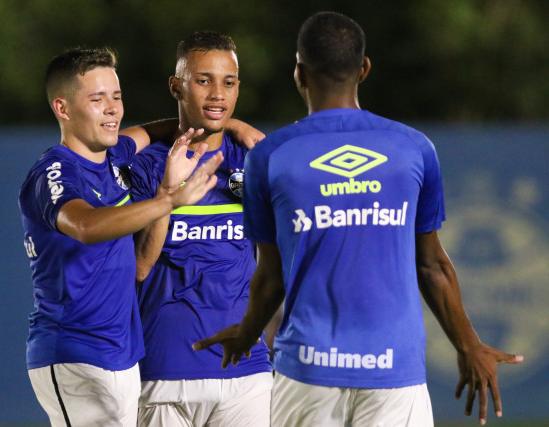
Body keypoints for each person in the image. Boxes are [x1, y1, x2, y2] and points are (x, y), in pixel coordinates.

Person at [194, 12, 524, 427]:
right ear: (364, 69)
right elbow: (432, 264)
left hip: (307, 371)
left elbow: (270, 275)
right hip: (394, 371)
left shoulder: (271, 156)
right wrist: (468, 344)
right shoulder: (413, 149)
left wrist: (247, 332)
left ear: (299, 72)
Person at [18, 47, 224, 426]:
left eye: (116, 96)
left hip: (122, 355)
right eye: (97, 99)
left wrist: (234, 127)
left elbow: (162, 129)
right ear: (63, 109)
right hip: (75, 353)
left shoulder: (114, 156)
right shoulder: (55, 172)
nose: (113, 108)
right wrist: (169, 200)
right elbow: (86, 226)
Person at [123, 31, 273, 426]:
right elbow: (140, 267)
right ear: (176, 86)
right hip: (165, 369)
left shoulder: (257, 159)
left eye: (228, 82)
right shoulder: (146, 165)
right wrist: (168, 193)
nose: (217, 94)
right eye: (202, 80)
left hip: (248, 372)